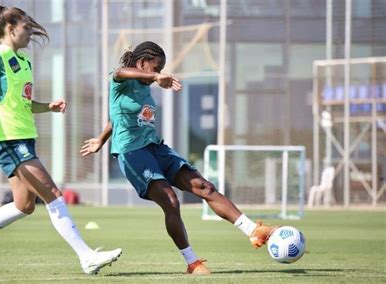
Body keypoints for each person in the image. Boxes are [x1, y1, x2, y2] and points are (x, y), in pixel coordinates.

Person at [80, 41, 278, 275]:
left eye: (161, 68)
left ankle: (253, 230)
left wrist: (101, 138)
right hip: (132, 154)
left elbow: (115, 118)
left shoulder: (146, 87)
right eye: (156, 67)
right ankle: (192, 262)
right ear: (142, 62)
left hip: (156, 148)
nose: (160, 72)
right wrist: (154, 77)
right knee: (171, 201)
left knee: (205, 187)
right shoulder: (122, 80)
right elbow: (119, 72)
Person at [0, 4, 121, 275]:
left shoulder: (23, 62)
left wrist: (48, 107)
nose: (30, 32)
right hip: (10, 141)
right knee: (54, 195)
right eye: (26, 27)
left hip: (24, 139)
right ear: (10, 29)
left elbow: (23, 103)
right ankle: (86, 256)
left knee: (25, 205)